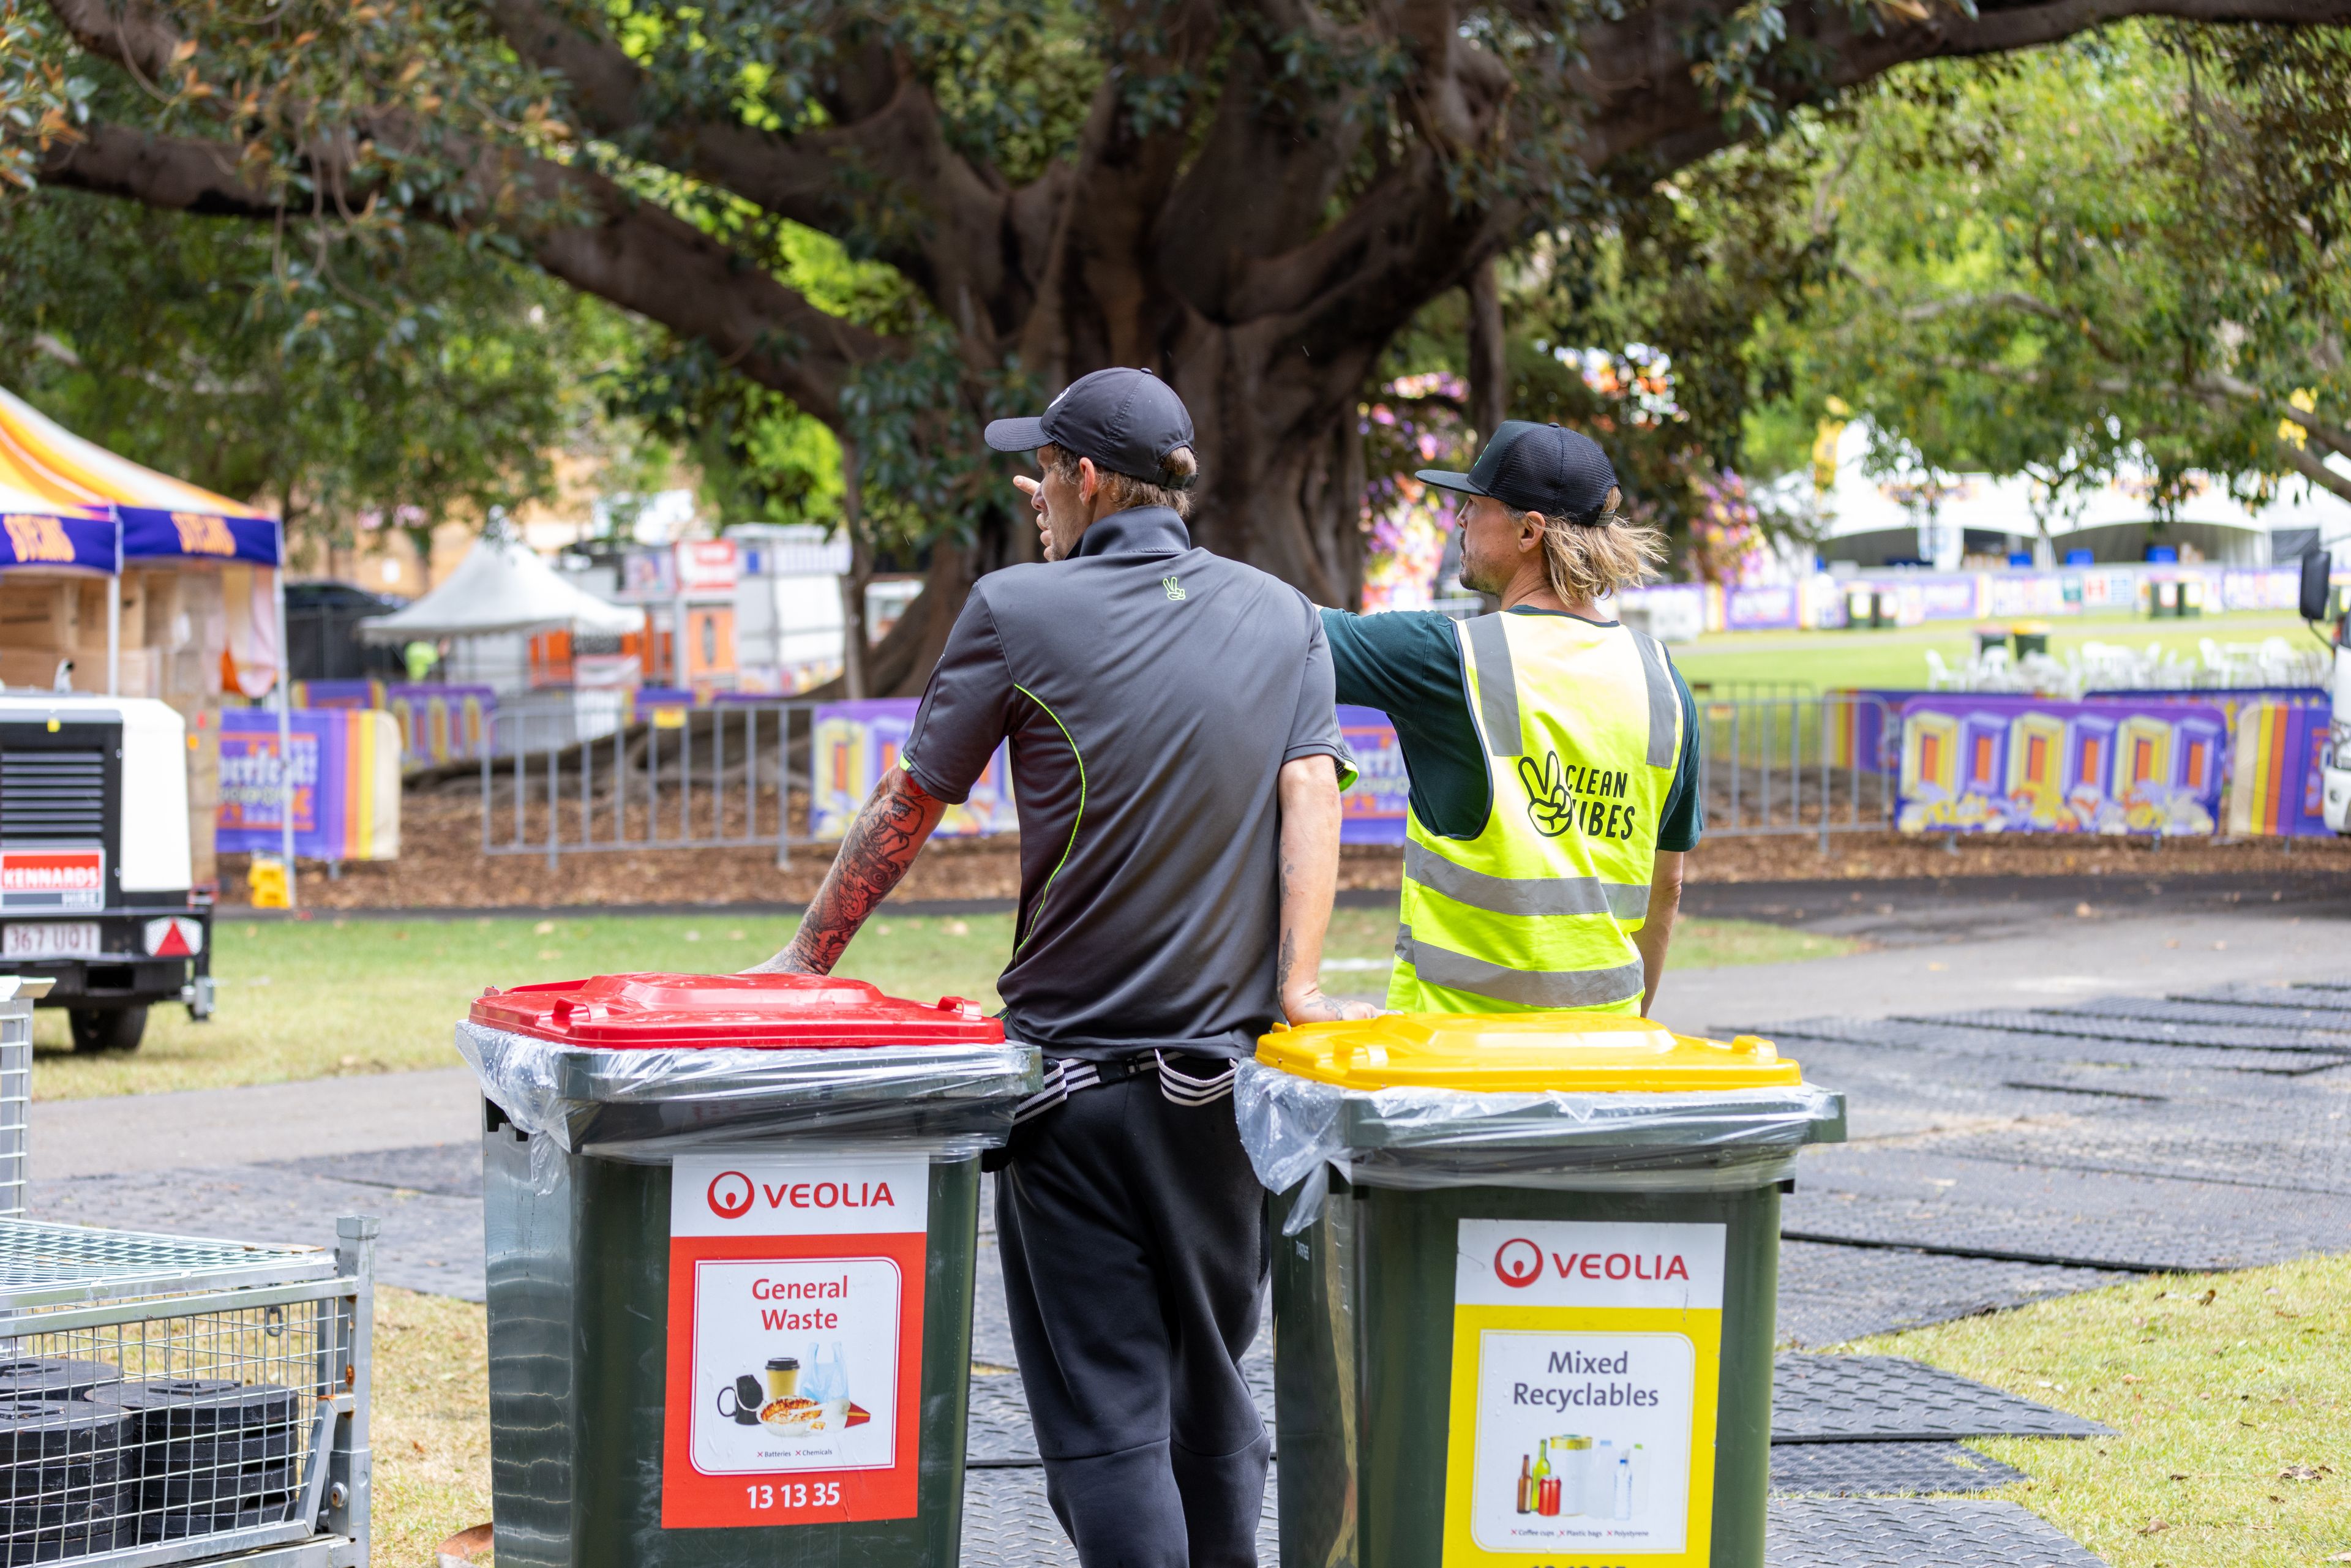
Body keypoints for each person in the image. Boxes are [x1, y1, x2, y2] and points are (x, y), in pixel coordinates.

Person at [752, 367, 1370, 1567]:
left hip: (1073, 1091)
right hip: (1229, 1096)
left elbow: (910, 799)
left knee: (1107, 1421)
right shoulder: (1284, 612)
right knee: (1211, 1387)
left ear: (1086, 479)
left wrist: (805, 956)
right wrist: (1296, 987)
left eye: (1040, 468)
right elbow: (1311, 790)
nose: (1031, 490)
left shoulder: (1015, 608)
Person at [1322, 421, 1703, 1017]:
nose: (1461, 522)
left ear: (1530, 531)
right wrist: (1630, 1026)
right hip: (1602, 1061)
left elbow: (1274, 627)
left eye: (1474, 505)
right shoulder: (1665, 682)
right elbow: (1667, 888)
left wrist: (1165, 578)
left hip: (1454, 1065)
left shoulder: (1447, 659)